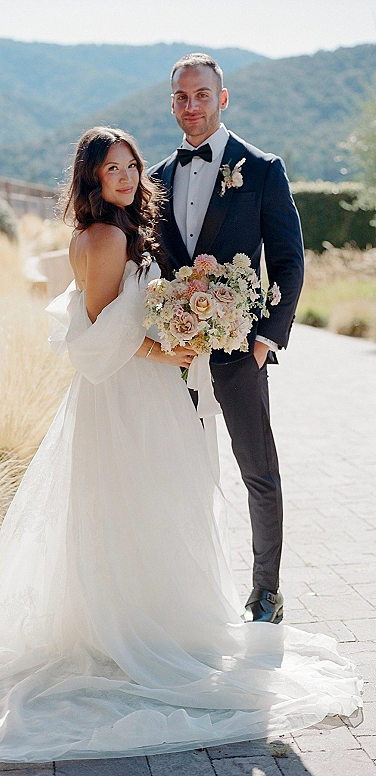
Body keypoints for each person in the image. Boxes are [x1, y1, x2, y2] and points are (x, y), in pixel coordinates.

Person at [0, 128, 359, 765]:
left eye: (129, 165)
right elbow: (97, 343)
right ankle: (135, 629)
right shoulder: (111, 237)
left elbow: (109, 318)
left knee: (136, 509)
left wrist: (181, 322)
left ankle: (139, 617)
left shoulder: (108, 231)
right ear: (90, 179)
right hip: (126, 399)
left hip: (136, 396)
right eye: (110, 168)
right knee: (146, 509)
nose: (123, 176)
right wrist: (164, 346)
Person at [148, 53, 305, 624]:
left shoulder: (261, 169)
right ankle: (186, 588)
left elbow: (289, 261)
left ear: (223, 98)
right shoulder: (156, 179)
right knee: (179, 467)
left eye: (202, 96)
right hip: (177, 353)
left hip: (242, 352)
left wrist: (268, 337)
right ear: (172, 103)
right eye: (182, 98)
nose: (192, 106)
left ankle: (267, 592)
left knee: (257, 469)